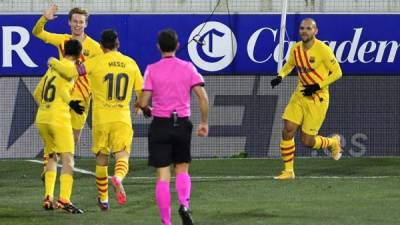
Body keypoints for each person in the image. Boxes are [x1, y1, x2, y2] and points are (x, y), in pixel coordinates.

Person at [48, 29, 143, 211]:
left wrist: (54, 63)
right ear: (118, 44)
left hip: (100, 120)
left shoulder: (95, 62)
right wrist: (141, 106)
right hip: (122, 118)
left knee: (101, 159)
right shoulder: (130, 63)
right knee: (122, 155)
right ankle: (119, 178)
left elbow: (71, 71)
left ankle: (104, 198)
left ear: (100, 46)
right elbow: (142, 91)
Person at [139, 29, 209, 225]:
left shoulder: (151, 69)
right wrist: (204, 122)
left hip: (160, 124)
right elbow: (202, 97)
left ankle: (166, 222)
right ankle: (184, 204)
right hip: (182, 124)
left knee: (163, 175)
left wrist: (146, 108)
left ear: (158, 47)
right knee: (182, 168)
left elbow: (144, 100)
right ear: (178, 46)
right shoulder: (188, 67)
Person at [32, 4, 103, 178]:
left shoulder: (94, 47)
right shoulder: (62, 40)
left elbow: (101, 70)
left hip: (82, 99)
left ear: (86, 24)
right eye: (75, 21)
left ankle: (63, 169)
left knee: (73, 137)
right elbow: (37, 32)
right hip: (62, 97)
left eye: (81, 22)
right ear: (69, 23)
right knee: (55, 135)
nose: (78, 25)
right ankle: (50, 168)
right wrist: (44, 19)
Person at [271, 18, 343, 180]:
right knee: (288, 130)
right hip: (300, 94)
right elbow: (289, 64)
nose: (305, 31)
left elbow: (338, 73)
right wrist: (280, 76)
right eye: (302, 28)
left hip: (318, 98)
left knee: (307, 141)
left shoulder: (323, 50)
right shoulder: (296, 48)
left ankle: (333, 142)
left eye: (308, 28)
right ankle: (288, 171)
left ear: (315, 31)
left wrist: (318, 86)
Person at [34, 39, 85, 214]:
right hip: (58, 118)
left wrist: (48, 106)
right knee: (68, 159)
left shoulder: (51, 71)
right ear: (79, 55)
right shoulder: (70, 69)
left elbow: (37, 93)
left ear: (64, 52)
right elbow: (69, 78)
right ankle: (64, 199)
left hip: (42, 117)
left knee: (51, 156)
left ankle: (48, 197)